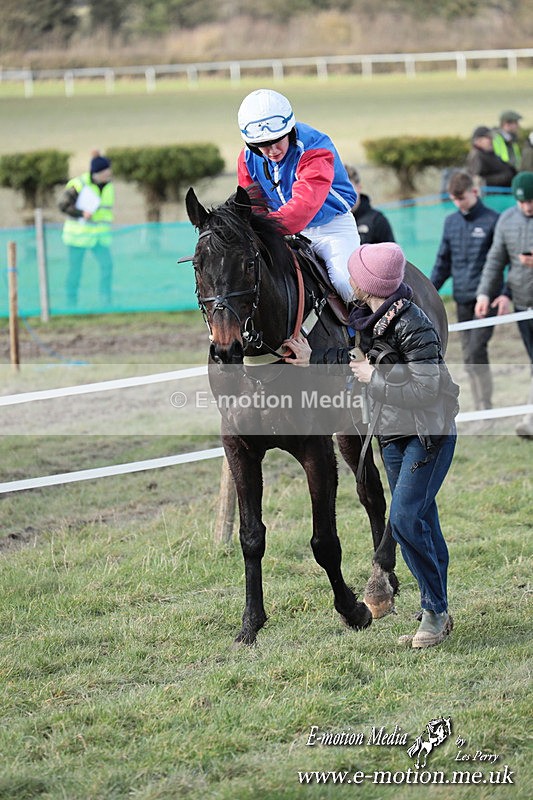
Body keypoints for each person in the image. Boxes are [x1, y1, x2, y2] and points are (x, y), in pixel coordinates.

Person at [283, 242, 459, 648]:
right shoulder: (370, 319)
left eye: (355, 274)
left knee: (405, 520)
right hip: (394, 437)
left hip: (427, 435)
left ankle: (435, 612)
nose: (349, 278)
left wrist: (372, 379)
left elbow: (427, 389)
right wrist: (313, 358)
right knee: (423, 521)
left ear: (369, 284)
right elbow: (355, 359)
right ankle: (436, 608)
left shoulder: (414, 325)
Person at [237, 88, 359, 302]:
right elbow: (253, 207)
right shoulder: (247, 158)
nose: (272, 150)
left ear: (290, 130)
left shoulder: (315, 149)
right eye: (263, 145)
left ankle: (370, 322)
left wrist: (264, 227)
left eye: (277, 139)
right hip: (280, 232)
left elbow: (302, 208)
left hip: (331, 228)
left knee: (345, 284)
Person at [431, 171, 499, 411]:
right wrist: (428, 290)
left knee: (475, 351)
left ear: (474, 192)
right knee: (468, 355)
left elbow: (501, 261)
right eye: (454, 199)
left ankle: (485, 406)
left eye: (462, 198)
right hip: (461, 298)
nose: (459, 203)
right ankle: (481, 405)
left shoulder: (493, 220)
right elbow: (443, 262)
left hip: (486, 299)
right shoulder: (451, 222)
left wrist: (504, 294)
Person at [475, 171, 533, 439]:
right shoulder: (507, 220)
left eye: (531, 201)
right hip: (522, 305)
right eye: (522, 202)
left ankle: (529, 419)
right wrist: (485, 294)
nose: (527, 207)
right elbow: (495, 260)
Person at [58, 151, 114, 307]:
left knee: (107, 266)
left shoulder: (109, 186)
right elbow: (62, 205)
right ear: (98, 172)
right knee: (75, 271)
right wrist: (81, 213)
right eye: (107, 170)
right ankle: (71, 303)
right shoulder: (78, 185)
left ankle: (105, 301)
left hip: (100, 237)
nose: (109, 173)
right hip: (78, 237)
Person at [344, 164, 396, 244]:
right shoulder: (333, 223)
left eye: (348, 189)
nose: (345, 195)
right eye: (340, 190)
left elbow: (391, 251)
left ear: (359, 188)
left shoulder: (377, 220)